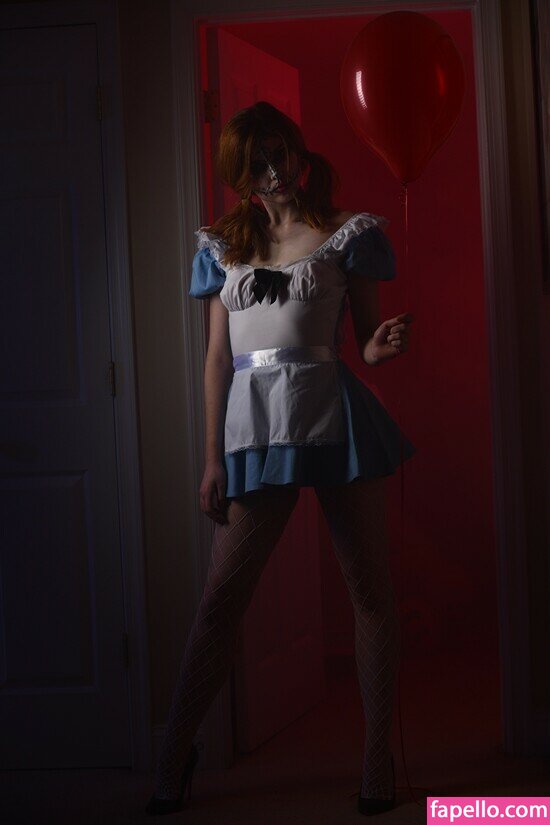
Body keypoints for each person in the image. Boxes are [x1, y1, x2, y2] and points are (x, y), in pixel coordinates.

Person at [145, 100, 416, 817]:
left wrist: (381, 345)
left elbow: (365, 343)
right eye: (258, 162)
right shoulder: (222, 249)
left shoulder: (347, 235)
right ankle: (174, 754)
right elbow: (217, 359)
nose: (275, 171)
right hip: (255, 431)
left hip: (335, 418)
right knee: (220, 601)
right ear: (240, 175)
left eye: (281, 153)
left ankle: (377, 760)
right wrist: (211, 459)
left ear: (298, 152)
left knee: (369, 593)